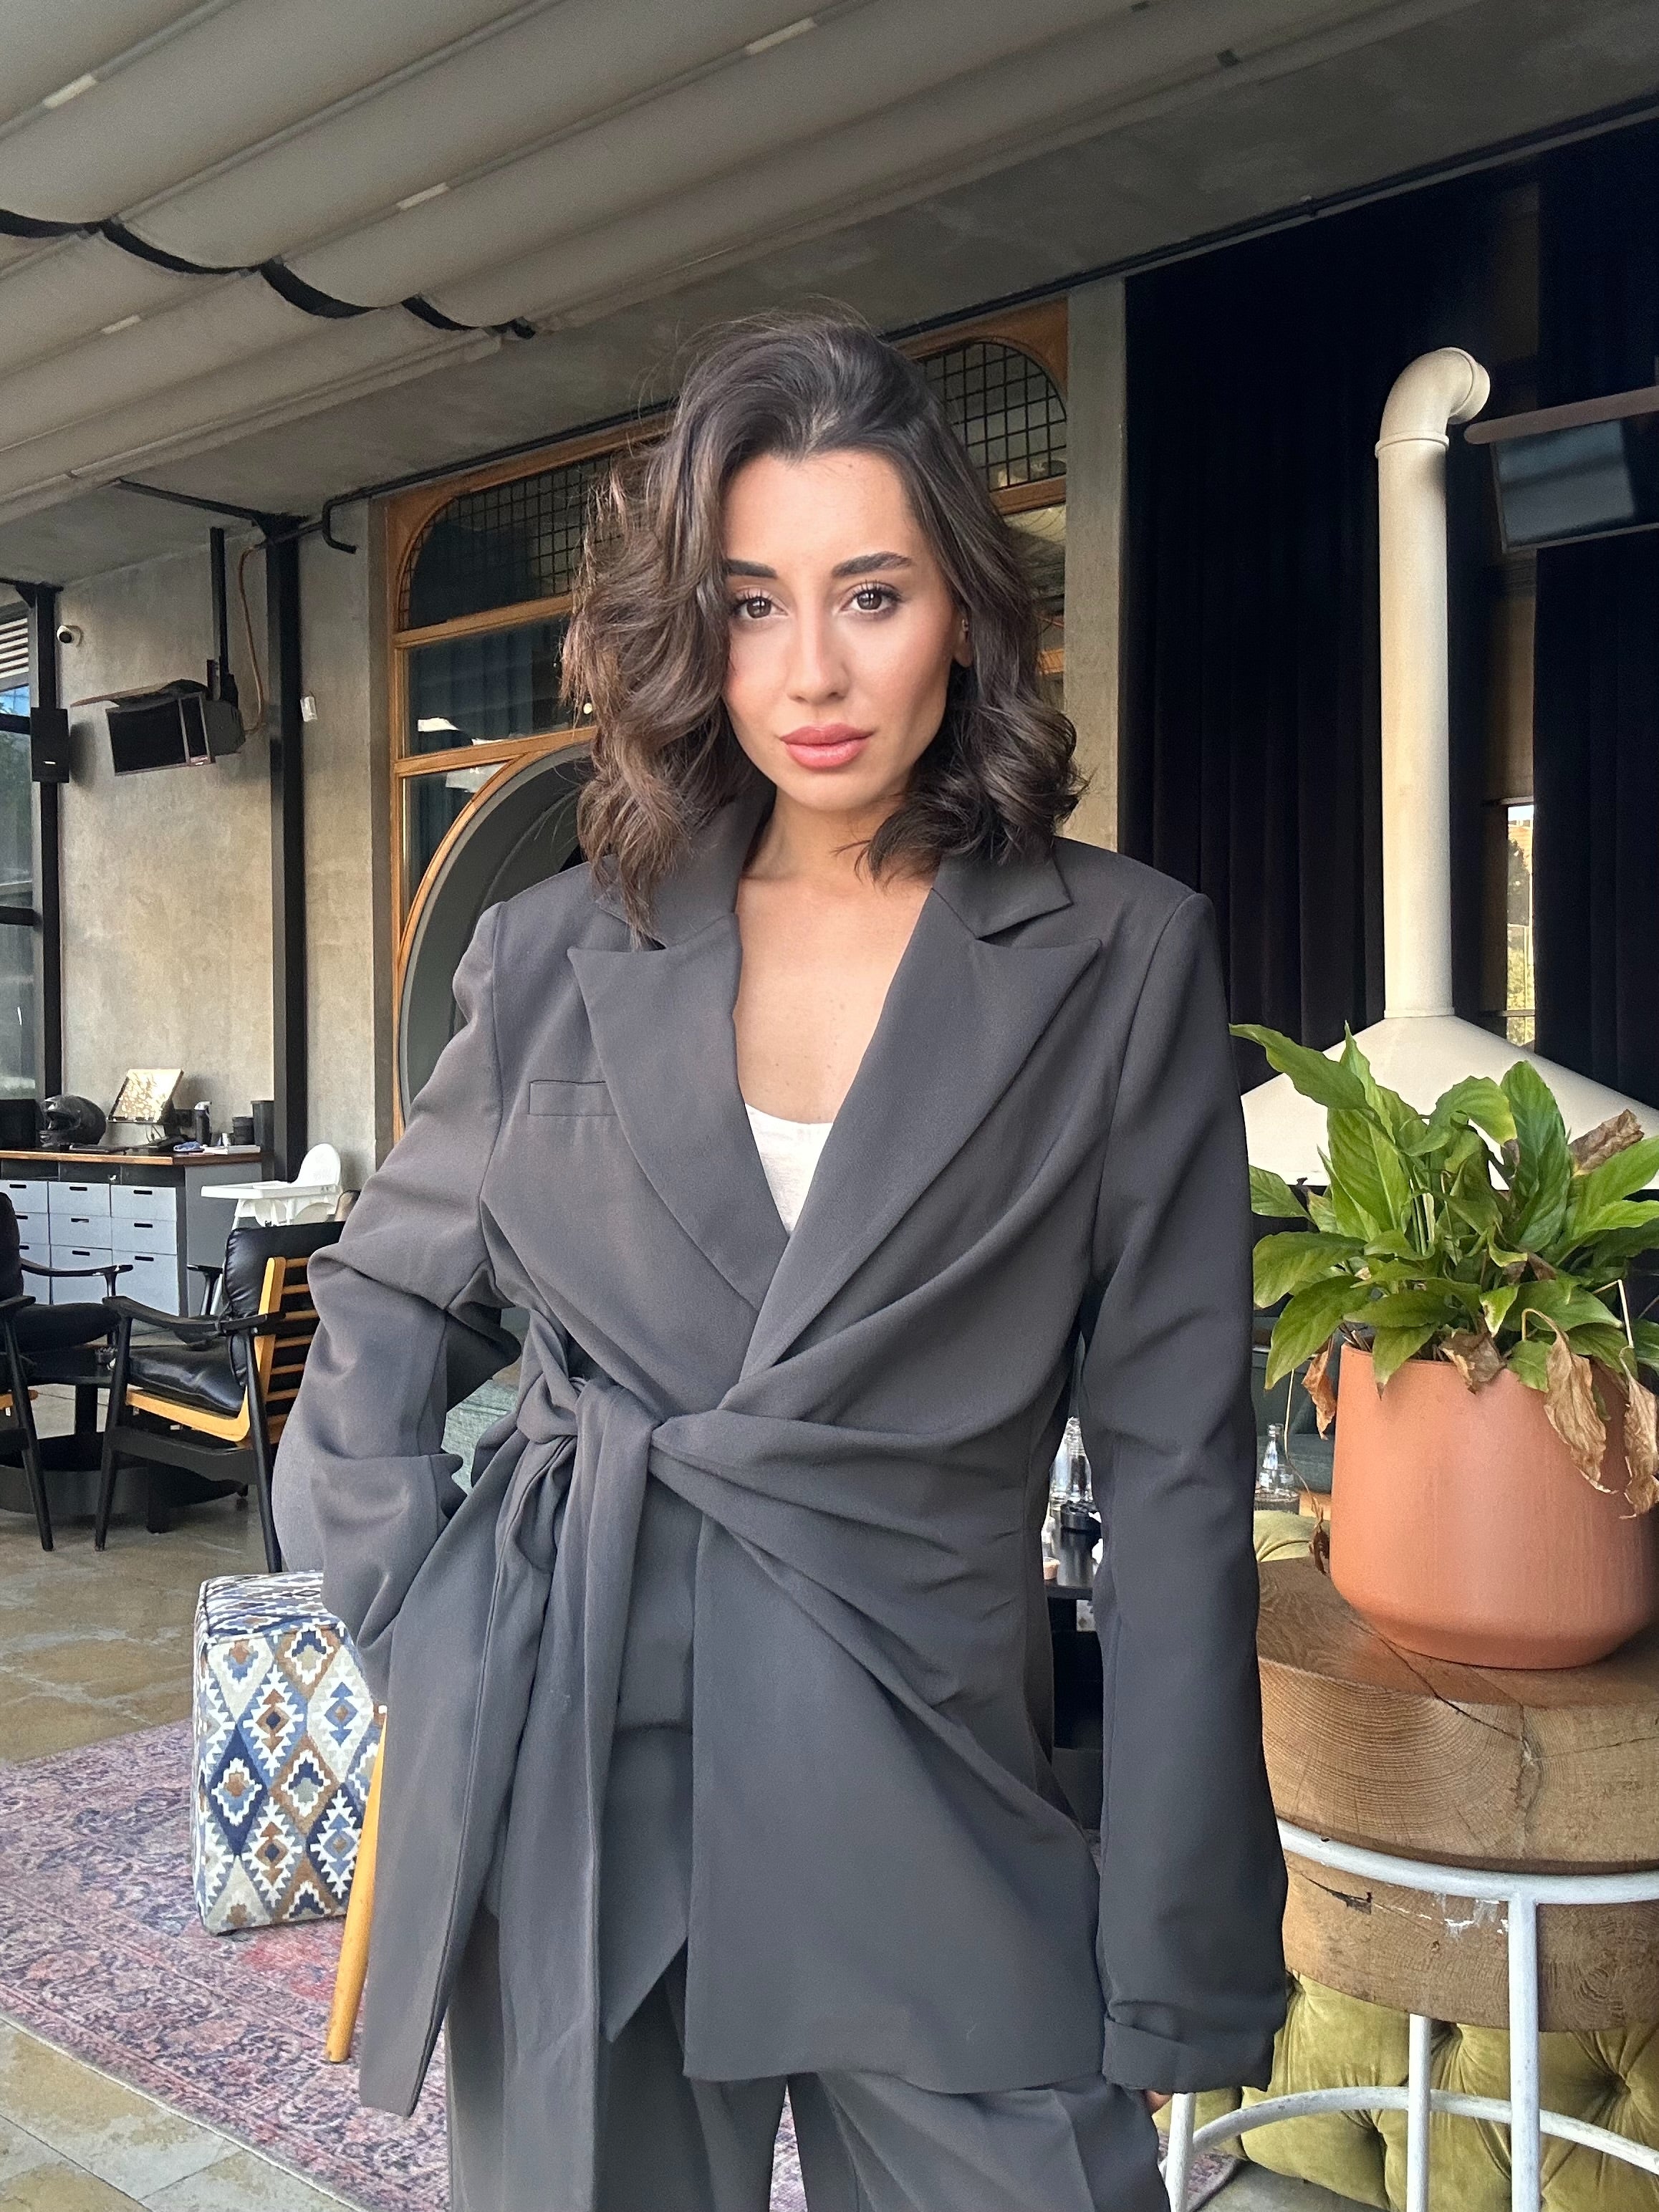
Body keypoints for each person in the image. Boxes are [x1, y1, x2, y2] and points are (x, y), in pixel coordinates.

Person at [275, 312, 1287, 2212]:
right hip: (581, 1759)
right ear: (695, 631)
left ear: (963, 614)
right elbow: (390, 1294)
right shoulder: (557, 949)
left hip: (923, 1759)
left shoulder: (1118, 958)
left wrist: (1179, 1945)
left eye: (870, 594)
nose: (810, 670)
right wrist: (417, 1616)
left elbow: (1174, 1478)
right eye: (751, 605)